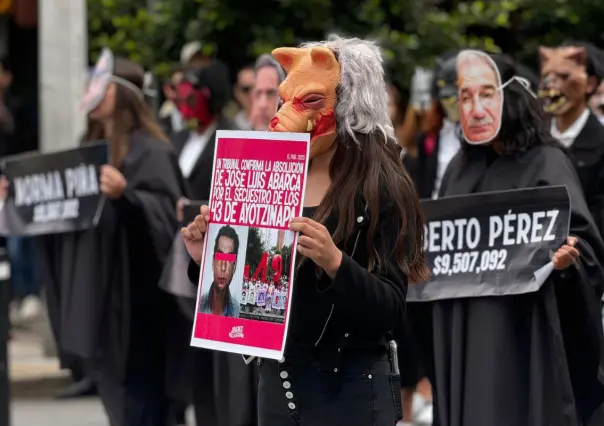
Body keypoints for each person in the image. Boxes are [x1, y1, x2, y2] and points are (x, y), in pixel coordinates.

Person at [183, 36, 429, 426]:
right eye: (286, 100)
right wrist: (206, 259)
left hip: (351, 397)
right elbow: (248, 300)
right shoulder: (264, 173)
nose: (287, 115)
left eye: (311, 101)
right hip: (278, 395)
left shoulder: (381, 185)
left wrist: (335, 263)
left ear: (349, 102)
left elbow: (392, 310)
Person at [430, 50, 604, 426]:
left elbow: (587, 252)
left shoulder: (547, 162)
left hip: (522, 342)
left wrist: (568, 261)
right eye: (464, 96)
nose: (475, 109)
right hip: (463, 336)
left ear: (511, 95)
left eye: (487, 94)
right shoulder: (458, 170)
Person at [40, 50, 183, 426]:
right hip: (102, 300)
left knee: (143, 403)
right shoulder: (88, 152)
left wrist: (128, 198)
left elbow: (169, 221)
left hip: (141, 308)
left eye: (101, 87)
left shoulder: (152, 151)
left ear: (120, 95)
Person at [538, 42, 604, 237]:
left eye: (564, 76)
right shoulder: (533, 139)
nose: (551, 84)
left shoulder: (600, 143)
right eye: (546, 76)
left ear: (590, 84)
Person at [456, 50, 503, 144]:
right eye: (466, 98)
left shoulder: (538, 157)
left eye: (487, 95)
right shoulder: (461, 157)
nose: (478, 112)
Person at [199, 225, 241, 317]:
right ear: (213, 262)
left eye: (229, 258)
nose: (223, 267)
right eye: (220, 256)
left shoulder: (238, 311)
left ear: (234, 267)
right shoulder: (198, 304)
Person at [249, 54, 285, 131]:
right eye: (258, 93)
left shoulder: (300, 140)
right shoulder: (234, 140)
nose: (262, 105)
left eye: (270, 93)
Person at [233, 64, 255, 130]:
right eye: (246, 89)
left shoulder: (280, 126)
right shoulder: (229, 127)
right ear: (237, 92)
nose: (252, 94)